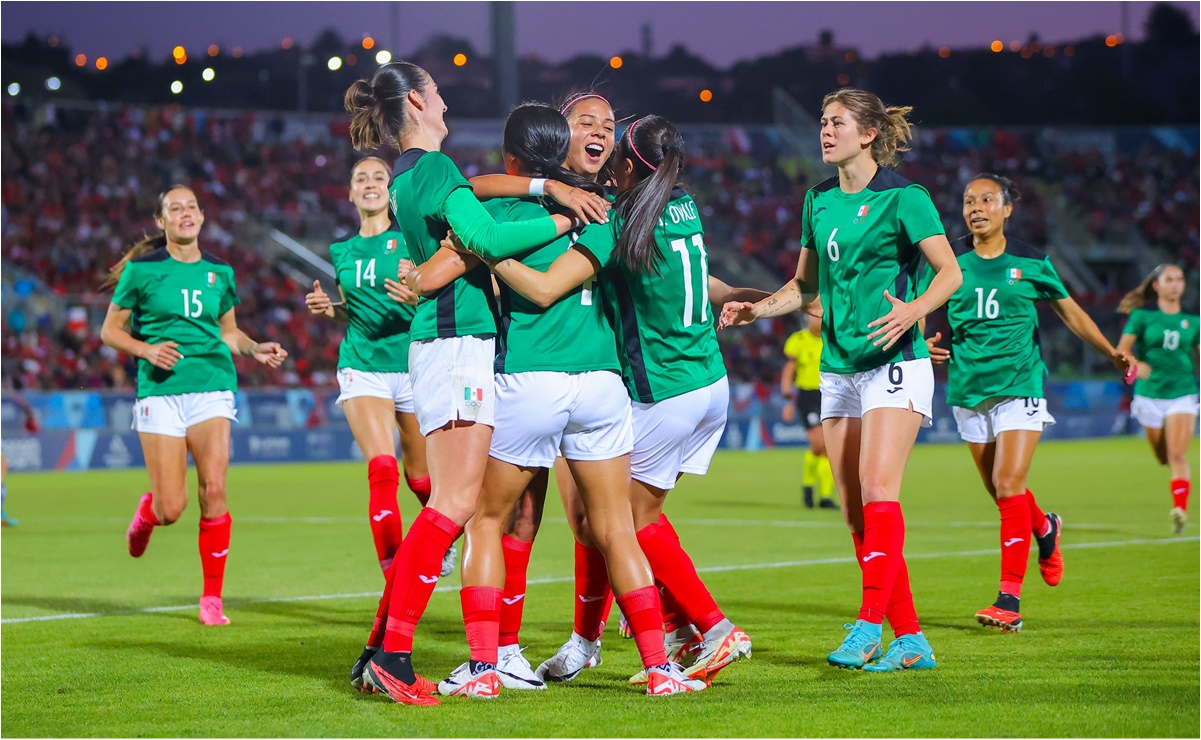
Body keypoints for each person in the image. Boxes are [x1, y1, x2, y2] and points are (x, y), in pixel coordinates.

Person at [466, 114, 755, 687]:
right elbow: (697, 279)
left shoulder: (610, 214)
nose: (599, 131)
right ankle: (620, 648)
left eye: (608, 124)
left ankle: (696, 625)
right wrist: (758, 299)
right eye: (585, 121)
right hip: (658, 382)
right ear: (558, 136)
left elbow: (473, 208)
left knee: (587, 520)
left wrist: (488, 252)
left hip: (626, 383)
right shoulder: (669, 203)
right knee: (594, 522)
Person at [343, 61, 578, 706]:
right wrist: (564, 221)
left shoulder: (411, 176)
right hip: (455, 347)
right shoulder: (434, 170)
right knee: (452, 506)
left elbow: (468, 232)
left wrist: (543, 194)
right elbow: (490, 238)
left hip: (441, 346)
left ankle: (378, 648)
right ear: (418, 102)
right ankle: (393, 654)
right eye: (439, 92)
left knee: (452, 505)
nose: (447, 102)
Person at [721, 88, 963, 672]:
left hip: (895, 363)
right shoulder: (818, 200)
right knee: (856, 511)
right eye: (824, 122)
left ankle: (867, 626)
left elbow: (948, 273)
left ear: (869, 133)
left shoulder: (906, 199)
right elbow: (804, 288)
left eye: (836, 123)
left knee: (879, 489)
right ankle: (911, 640)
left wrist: (912, 310)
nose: (825, 131)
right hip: (838, 371)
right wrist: (759, 309)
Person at [920, 173, 1133, 633]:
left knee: (1009, 481)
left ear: (1007, 208)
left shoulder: (1032, 262)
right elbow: (917, 305)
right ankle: (1046, 528)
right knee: (1002, 493)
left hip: (1020, 384)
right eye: (968, 201)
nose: (976, 208)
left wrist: (1110, 351)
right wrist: (922, 341)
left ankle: (1008, 601)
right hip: (968, 389)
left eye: (987, 199)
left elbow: (1071, 313)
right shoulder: (949, 259)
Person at [99, 185, 288, 627]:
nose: (185, 213)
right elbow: (110, 331)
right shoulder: (142, 272)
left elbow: (228, 332)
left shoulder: (220, 271)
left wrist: (254, 348)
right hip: (160, 392)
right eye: (174, 208)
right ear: (162, 222)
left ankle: (211, 598)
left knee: (215, 489)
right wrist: (145, 351)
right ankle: (148, 513)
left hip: (212, 386)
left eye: (191, 207)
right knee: (172, 508)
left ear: (202, 217)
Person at [304, 158, 456, 581]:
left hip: (411, 364)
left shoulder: (413, 239)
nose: (369, 183)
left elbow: (438, 296)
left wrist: (418, 298)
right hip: (363, 365)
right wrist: (329, 309)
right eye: (360, 178)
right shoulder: (341, 250)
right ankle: (395, 577)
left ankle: (441, 539)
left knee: (421, 477)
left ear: (389, 191)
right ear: (350, 193)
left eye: (378, 177)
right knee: (382, 467)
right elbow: (352, 312)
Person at [1116, 264, 1199, 535]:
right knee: (1163, 457)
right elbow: (1122, 351)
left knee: (1177, 454)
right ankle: (1178, 492)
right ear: (1157, 285)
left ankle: (1179, 510)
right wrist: (1135, 364)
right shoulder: (1141, 317)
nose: (1176, 284)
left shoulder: (1193, 322)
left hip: (1182, 394)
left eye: (1179, 279)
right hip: (1149, 396)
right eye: (1169, 279)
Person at [782, 312, 837, 509]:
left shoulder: (833, 338)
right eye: (814, 315)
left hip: (830, 395)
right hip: (807, 397)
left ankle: (824, 496)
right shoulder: (798, 340)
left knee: (828, 449)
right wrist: (787, 399)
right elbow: (789, 369)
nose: (818, 319)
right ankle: (808, 487)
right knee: (818, 444)